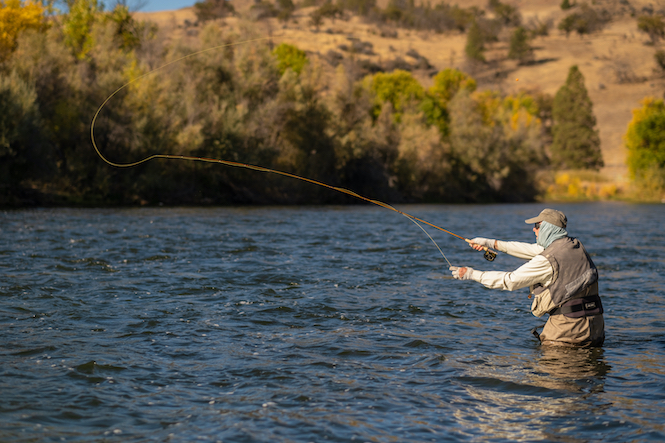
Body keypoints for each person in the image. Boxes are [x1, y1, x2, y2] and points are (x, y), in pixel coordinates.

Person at [449, 208, 604, 347]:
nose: (533, 230)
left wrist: (471, 274)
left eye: (537, 226)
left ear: (547, 229)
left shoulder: (547, 260)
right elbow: (534, 250)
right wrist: (490, 243)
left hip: (567, 332)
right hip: (595, 328)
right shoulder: (575, 246)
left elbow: (510, 281)